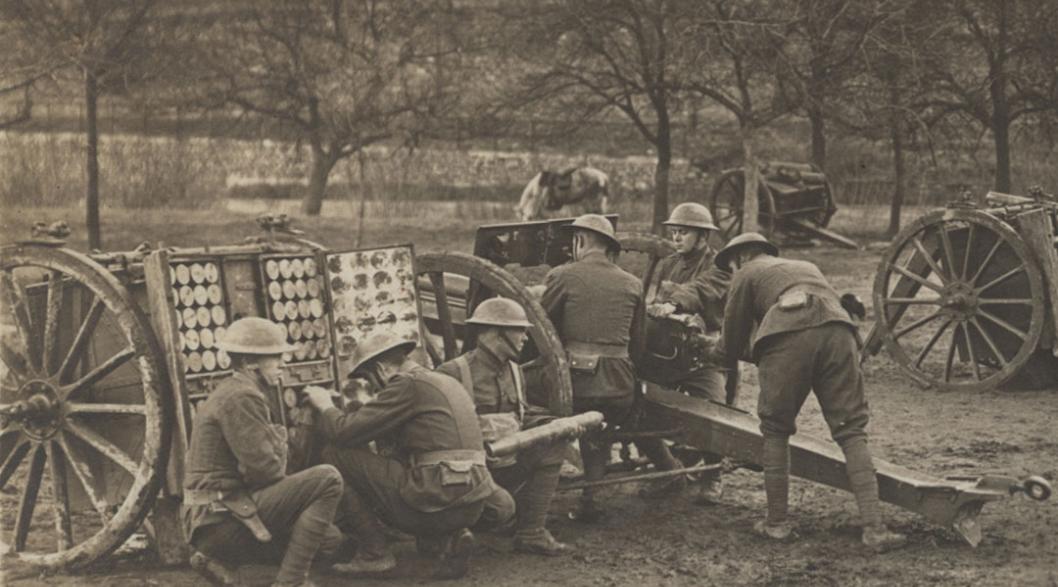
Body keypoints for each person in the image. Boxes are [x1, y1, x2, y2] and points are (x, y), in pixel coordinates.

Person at [713, 233, 906, 551]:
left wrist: (708, 349)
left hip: (790, 335)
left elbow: (730, 345)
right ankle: (875, 528)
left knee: (775, 430)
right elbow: (812, 325)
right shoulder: (804, 266)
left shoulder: (746, 274)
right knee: (851, 430)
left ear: (739, 258)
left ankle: (776, 524)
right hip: (840, 333)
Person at [302, 331, 514, 580]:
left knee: (335, 454)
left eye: (373, 380)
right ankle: (448, 537)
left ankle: (374, 552)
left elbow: (344, 432)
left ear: (381, 369)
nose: (378, 389)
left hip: (439, 502)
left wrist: (324, 404)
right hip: (474, 502)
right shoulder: (442, 381)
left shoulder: (406, 384)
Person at [539, 213, 683, 522]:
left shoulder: (562, 276)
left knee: (529, 396)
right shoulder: (632, 284)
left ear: (579, 241)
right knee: (613, 416)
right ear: (609, 248)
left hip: (578, 385)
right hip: (620, 386)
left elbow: (541, 330)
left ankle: (532, 487)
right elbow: (638, 343)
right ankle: (596, 492)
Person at [183, 317, 345, 587]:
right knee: (329, 478)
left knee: (329, 540)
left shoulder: (237, 391)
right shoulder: (242, 397)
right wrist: (281, 442)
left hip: (219, 515)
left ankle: (220, 561)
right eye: (275, 357)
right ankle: (290, 582)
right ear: (249, 363)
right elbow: (266, 471)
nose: (283, 364)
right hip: (219, 520)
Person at [436, 297, 572, 556]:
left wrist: (554, 424)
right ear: (497, 333)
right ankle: (453, 529)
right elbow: (436, 432)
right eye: (519, 330)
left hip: (507, 463)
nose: (525, 338)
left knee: (556, 443)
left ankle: (531, 533)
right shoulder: (452, 373)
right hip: (471, 473)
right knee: (501, 508)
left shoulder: (515, 371)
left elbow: (520, 416)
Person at [639, 202, 732, 504]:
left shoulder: (719, 265)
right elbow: (656, 299)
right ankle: (669, 469)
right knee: (637, 402)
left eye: (684, 232)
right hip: (668, 352)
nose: (677, 238)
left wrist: (674, 304)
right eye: (674, 232)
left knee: (715, 410)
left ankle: (712, 476)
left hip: (704, 353)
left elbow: (701, 289)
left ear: (703, 236)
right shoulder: (668, 264)